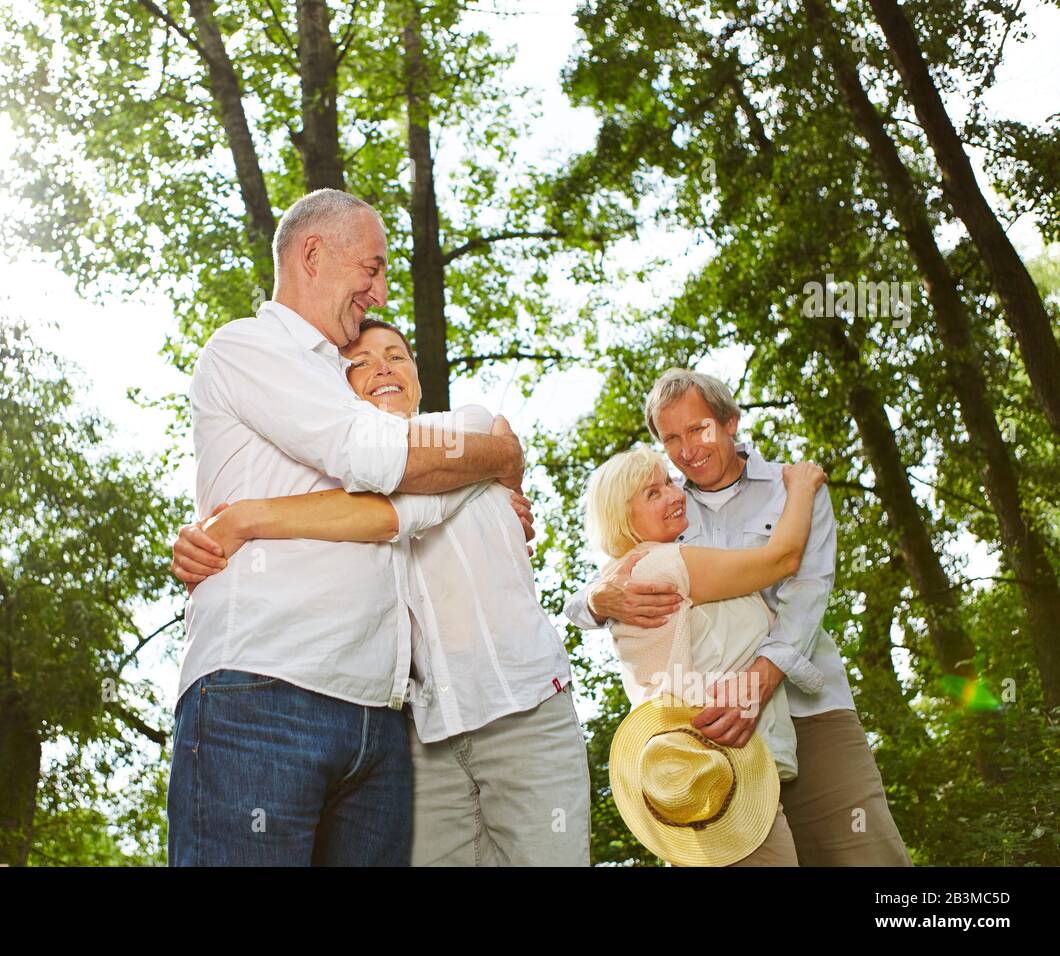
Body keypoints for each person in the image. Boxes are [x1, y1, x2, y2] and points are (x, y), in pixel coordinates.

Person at [168, 188, 527, 867]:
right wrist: (497, 457)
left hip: (379, 721)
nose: (382, 291)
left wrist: (480, 488)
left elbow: (404, 509)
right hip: (264, 692)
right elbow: (378, 460)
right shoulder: (250, 347)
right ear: (312, 254)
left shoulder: (350, 379)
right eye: (372, 268)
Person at [174, 319, 592, 866]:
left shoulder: (468, 429)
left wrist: (249, 519)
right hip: (423, 738)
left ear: (418, 379)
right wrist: (205, 537)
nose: (382, 368)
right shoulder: (336, 474)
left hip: (522, 707)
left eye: (397, 356)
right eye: (360, 362)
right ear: (335, 390)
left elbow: (393, 514)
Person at [564, 368, 912, 866]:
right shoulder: (665, 505)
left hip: (805, 706)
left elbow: (806, 594)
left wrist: (759, 681)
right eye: (672, 439)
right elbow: (603, 581)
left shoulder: (795, 490)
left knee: (864, 853)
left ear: (730, 421)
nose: (687, 450)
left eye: (699, 428)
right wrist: (596, 601)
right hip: (711, 729)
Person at [585, 445, 827, 865]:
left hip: (697, 772)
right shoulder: (666, 566)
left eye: (668, 482)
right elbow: (783, 559)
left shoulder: (625, 574)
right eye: (652, 493)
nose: (674, 494)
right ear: (623, 518)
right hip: (722, 771)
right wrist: (802, 485)